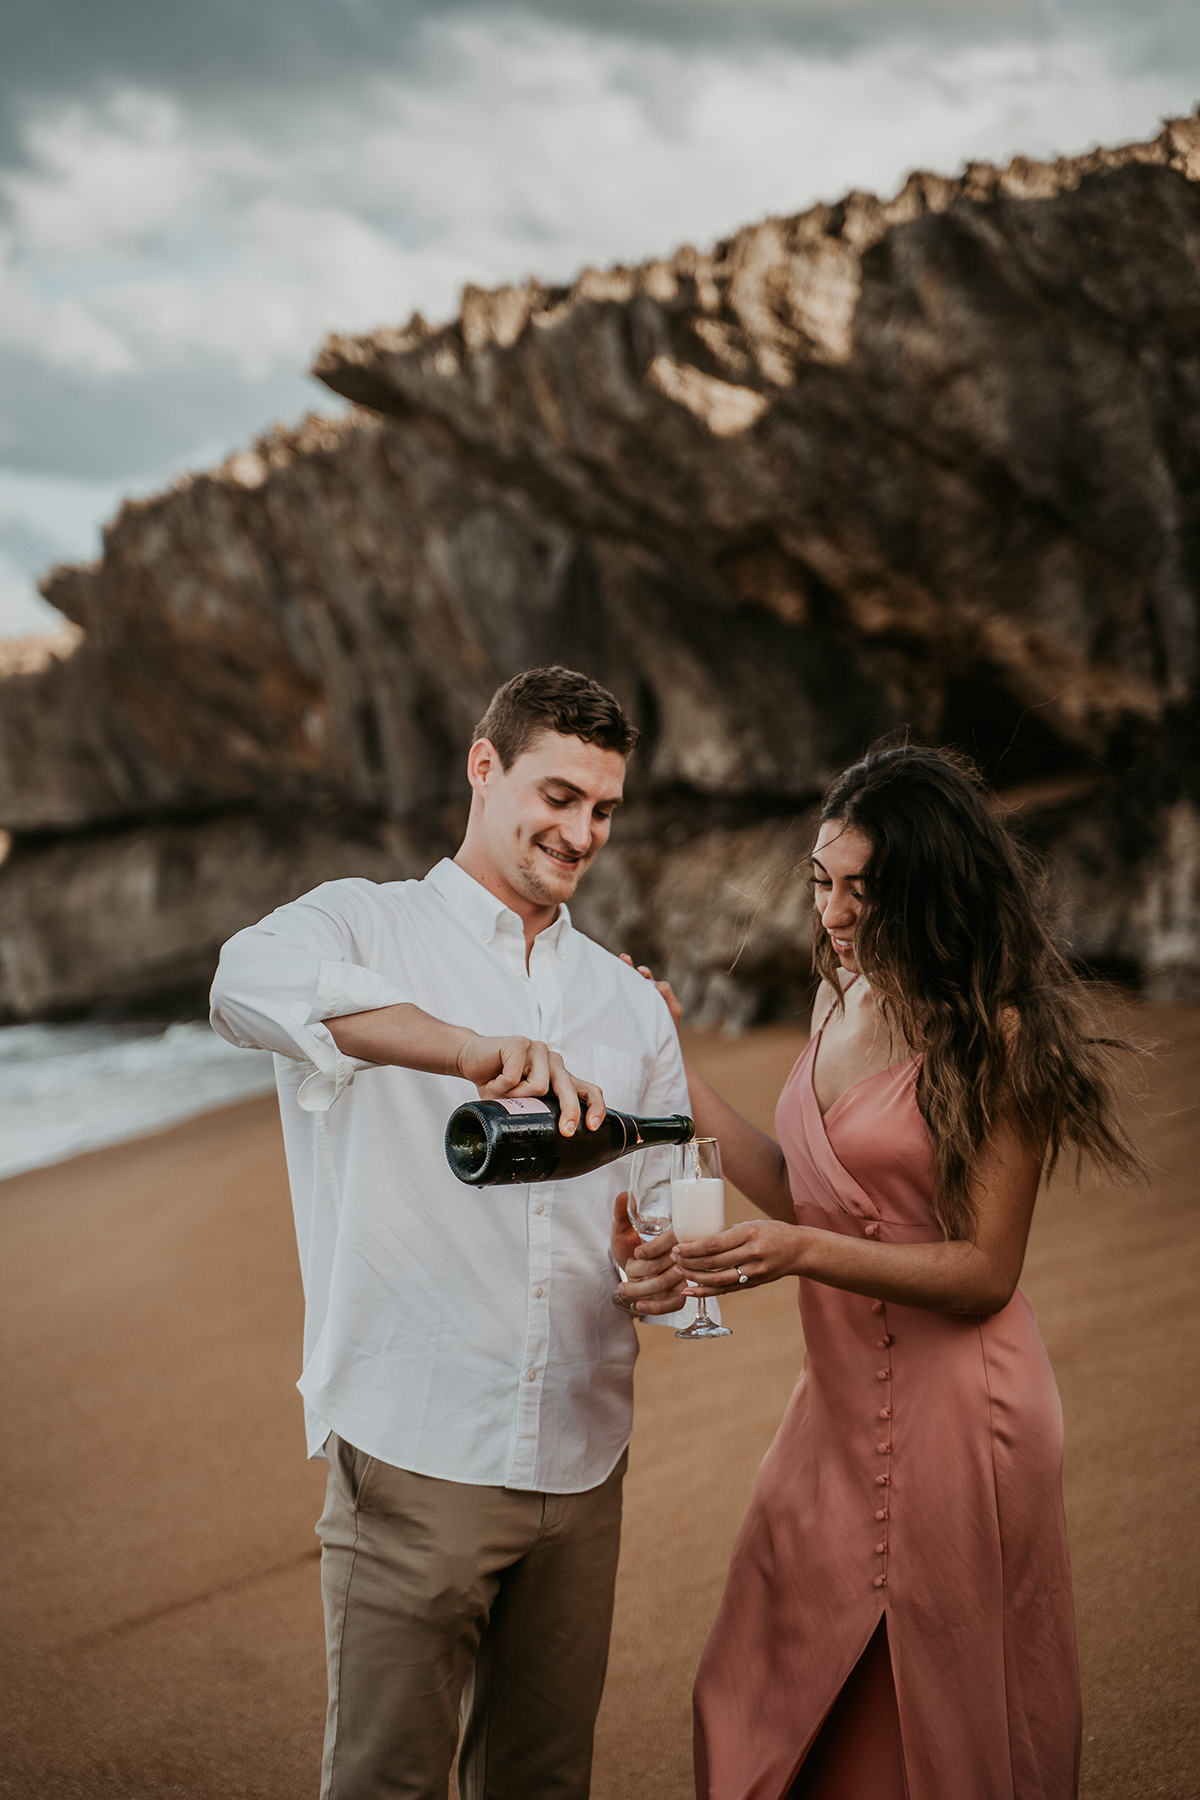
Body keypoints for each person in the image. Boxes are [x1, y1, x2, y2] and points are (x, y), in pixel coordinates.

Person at [617, 742, 1144, 1800]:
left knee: (941, 1710)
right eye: (822, 880)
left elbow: (987, 1272)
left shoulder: (1001, 1036)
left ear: (929, 887)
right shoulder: (834, 1004)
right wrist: (667, 1059)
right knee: (757, 1665)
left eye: (865, 887)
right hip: (840, 1405)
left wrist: (799, 1255)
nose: (835, 913)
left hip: (967, 1409)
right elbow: (789, 1181)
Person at [209, 665, 683, 1800]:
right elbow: (239, 984)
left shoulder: (628, 1002)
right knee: (387, 1784)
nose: (581, 833)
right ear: (484, 766)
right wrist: (464, 1049)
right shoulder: (363, 922)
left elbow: (669, 1212)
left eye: (604, 809)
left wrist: (667, 1271)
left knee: (542, 1785)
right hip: (414, 1449)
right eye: (558, 795)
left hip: (584, 1464)